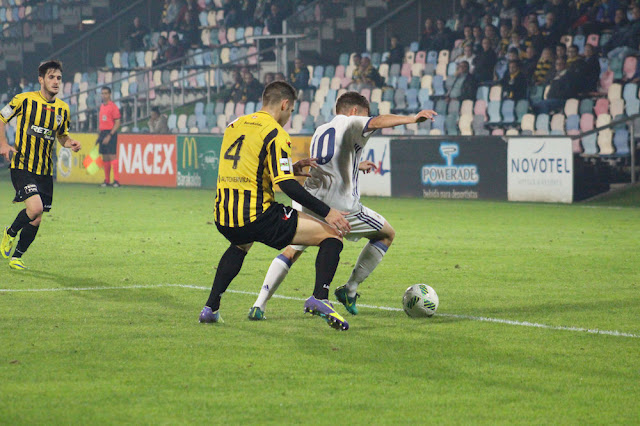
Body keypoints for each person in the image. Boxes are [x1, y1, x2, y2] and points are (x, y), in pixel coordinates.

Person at [248, 92, 436, 320]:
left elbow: (331, 165)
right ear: (355, 112)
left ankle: (259, 304)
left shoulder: (321, 129)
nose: (367, 122)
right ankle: (350, 289)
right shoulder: (351, 121)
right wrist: (412, 119)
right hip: (341, 207)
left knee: (292, 250)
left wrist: (356, 166)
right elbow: (377, 122)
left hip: (311, 201)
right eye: (365, 116)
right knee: (386, 234)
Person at [198, 81, 353, 330]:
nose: (289, 118)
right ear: (285, 104)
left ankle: (210, 308)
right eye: (290, 112)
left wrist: (290, 168)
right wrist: (329, 212)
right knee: (332, 235)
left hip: (224, 216)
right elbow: (288, 187)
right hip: (258, 216)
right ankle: (319, 298)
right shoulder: (275, 133)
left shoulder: (234, 125)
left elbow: (248, 166)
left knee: (240, 244)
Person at [0, 60, 80, 270]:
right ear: (41, 79)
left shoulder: (63, 109)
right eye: (51, 77)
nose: (56, 82)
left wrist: (69, 142)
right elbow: (1, 117)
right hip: (23, 165)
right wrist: (2, 143)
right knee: (34, 208)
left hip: (45, 170)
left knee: (36, 219)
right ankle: (10, 233)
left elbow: (61, 135)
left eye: (59, 78)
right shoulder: (24, 100)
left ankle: (17, 256)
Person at [97, 86, 121, 187]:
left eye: (106, 93)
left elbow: (117, 122)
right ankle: (107, 180)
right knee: (105, 157)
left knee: (112, 155)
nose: (104, 95)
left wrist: (110, 135)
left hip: (110, 132)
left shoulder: (113, 107)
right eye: (103, 93)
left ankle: (116, 180)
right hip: (103, 132)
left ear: (110, 94)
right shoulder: (102, 106)